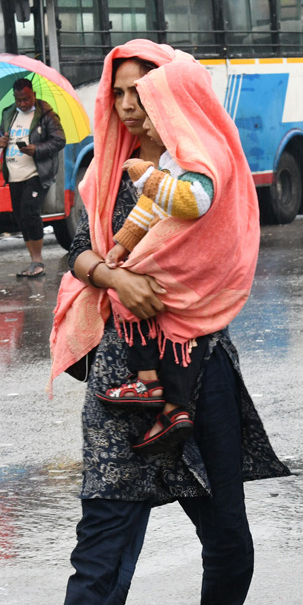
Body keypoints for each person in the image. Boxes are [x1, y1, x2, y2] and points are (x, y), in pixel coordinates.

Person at [32, 40, 287, 605]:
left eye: (140, 91)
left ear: (170, 93)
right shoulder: (105, 171)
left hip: (197, 362)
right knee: (107, 504)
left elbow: (219, 250)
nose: (127, 105)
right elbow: (79, 251)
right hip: (119, 365)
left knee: (221, 517)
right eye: (117, 92)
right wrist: (116, 279)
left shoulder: (202, 166)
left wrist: (156, 285)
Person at [97, 105, 217, 452]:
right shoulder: (169, 162)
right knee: (174, 327)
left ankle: (153, 386)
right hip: (171, 259)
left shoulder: (196, 164)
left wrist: (148, 179)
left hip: (183, 262)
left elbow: (194, 202)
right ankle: (169, 404)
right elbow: (147, 209)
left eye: (153, 115)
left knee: (139, 303)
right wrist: (122, 245)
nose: (145, 124)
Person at [0, 78, 66, 277]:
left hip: (36, 173)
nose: (23, 104)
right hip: (14, 175)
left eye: (26, 99)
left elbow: (59, 140)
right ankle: (32, 260)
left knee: (30, 212)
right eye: (19, 100)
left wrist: (37, 149)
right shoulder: (9, 114)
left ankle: (38, 261)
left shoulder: (46, 114)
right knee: (21, 217)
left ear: (33, 94)